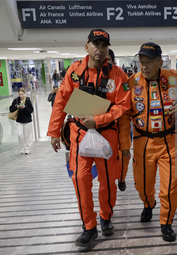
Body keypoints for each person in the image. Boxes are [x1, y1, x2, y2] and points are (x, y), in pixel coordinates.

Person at [47, 29, 131, 247]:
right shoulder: (74, 71)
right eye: (96, 45)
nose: (100, 49)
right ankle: (89, 226)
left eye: (104, 46)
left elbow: (124, 105)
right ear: (87, 47)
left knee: (107, 182)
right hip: (79, 135)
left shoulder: (117, 74)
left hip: (107, 136)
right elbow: (61, 100)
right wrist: (55, 131)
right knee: (81, 180)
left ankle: (105, 217)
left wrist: (101, 119)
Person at [119, 42, 177, 242]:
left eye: (148, 62)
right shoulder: (131, 83)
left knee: (170, 188)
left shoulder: (175, 79)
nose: (144, 66)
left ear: (160, 62)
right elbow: (123, 118)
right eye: (141, 62)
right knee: (143, 185)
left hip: (171, 142)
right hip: (142, 142)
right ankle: (148, 203)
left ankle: (166, 223)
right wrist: (124, 146)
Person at [107, 48, 131, 191]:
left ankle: (121, 179)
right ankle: (108, 182)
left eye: (108, 61)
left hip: (121, 123)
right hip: (101, 127)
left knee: (124, 157)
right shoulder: (91, 77)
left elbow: (125, 105)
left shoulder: (120, 76)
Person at [9, 88, 34, 154]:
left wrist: (25, 107)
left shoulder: (28, 100)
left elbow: (31, 110)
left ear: (24, 93)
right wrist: (16, 107)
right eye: (19, 94)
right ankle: (22, 147)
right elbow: (11, 109)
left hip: (27, 120)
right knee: (20, 134)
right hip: (19, 120)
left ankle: (28, 148)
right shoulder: (16, 100)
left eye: (22, 94)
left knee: (27, 135)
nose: (21, 96)